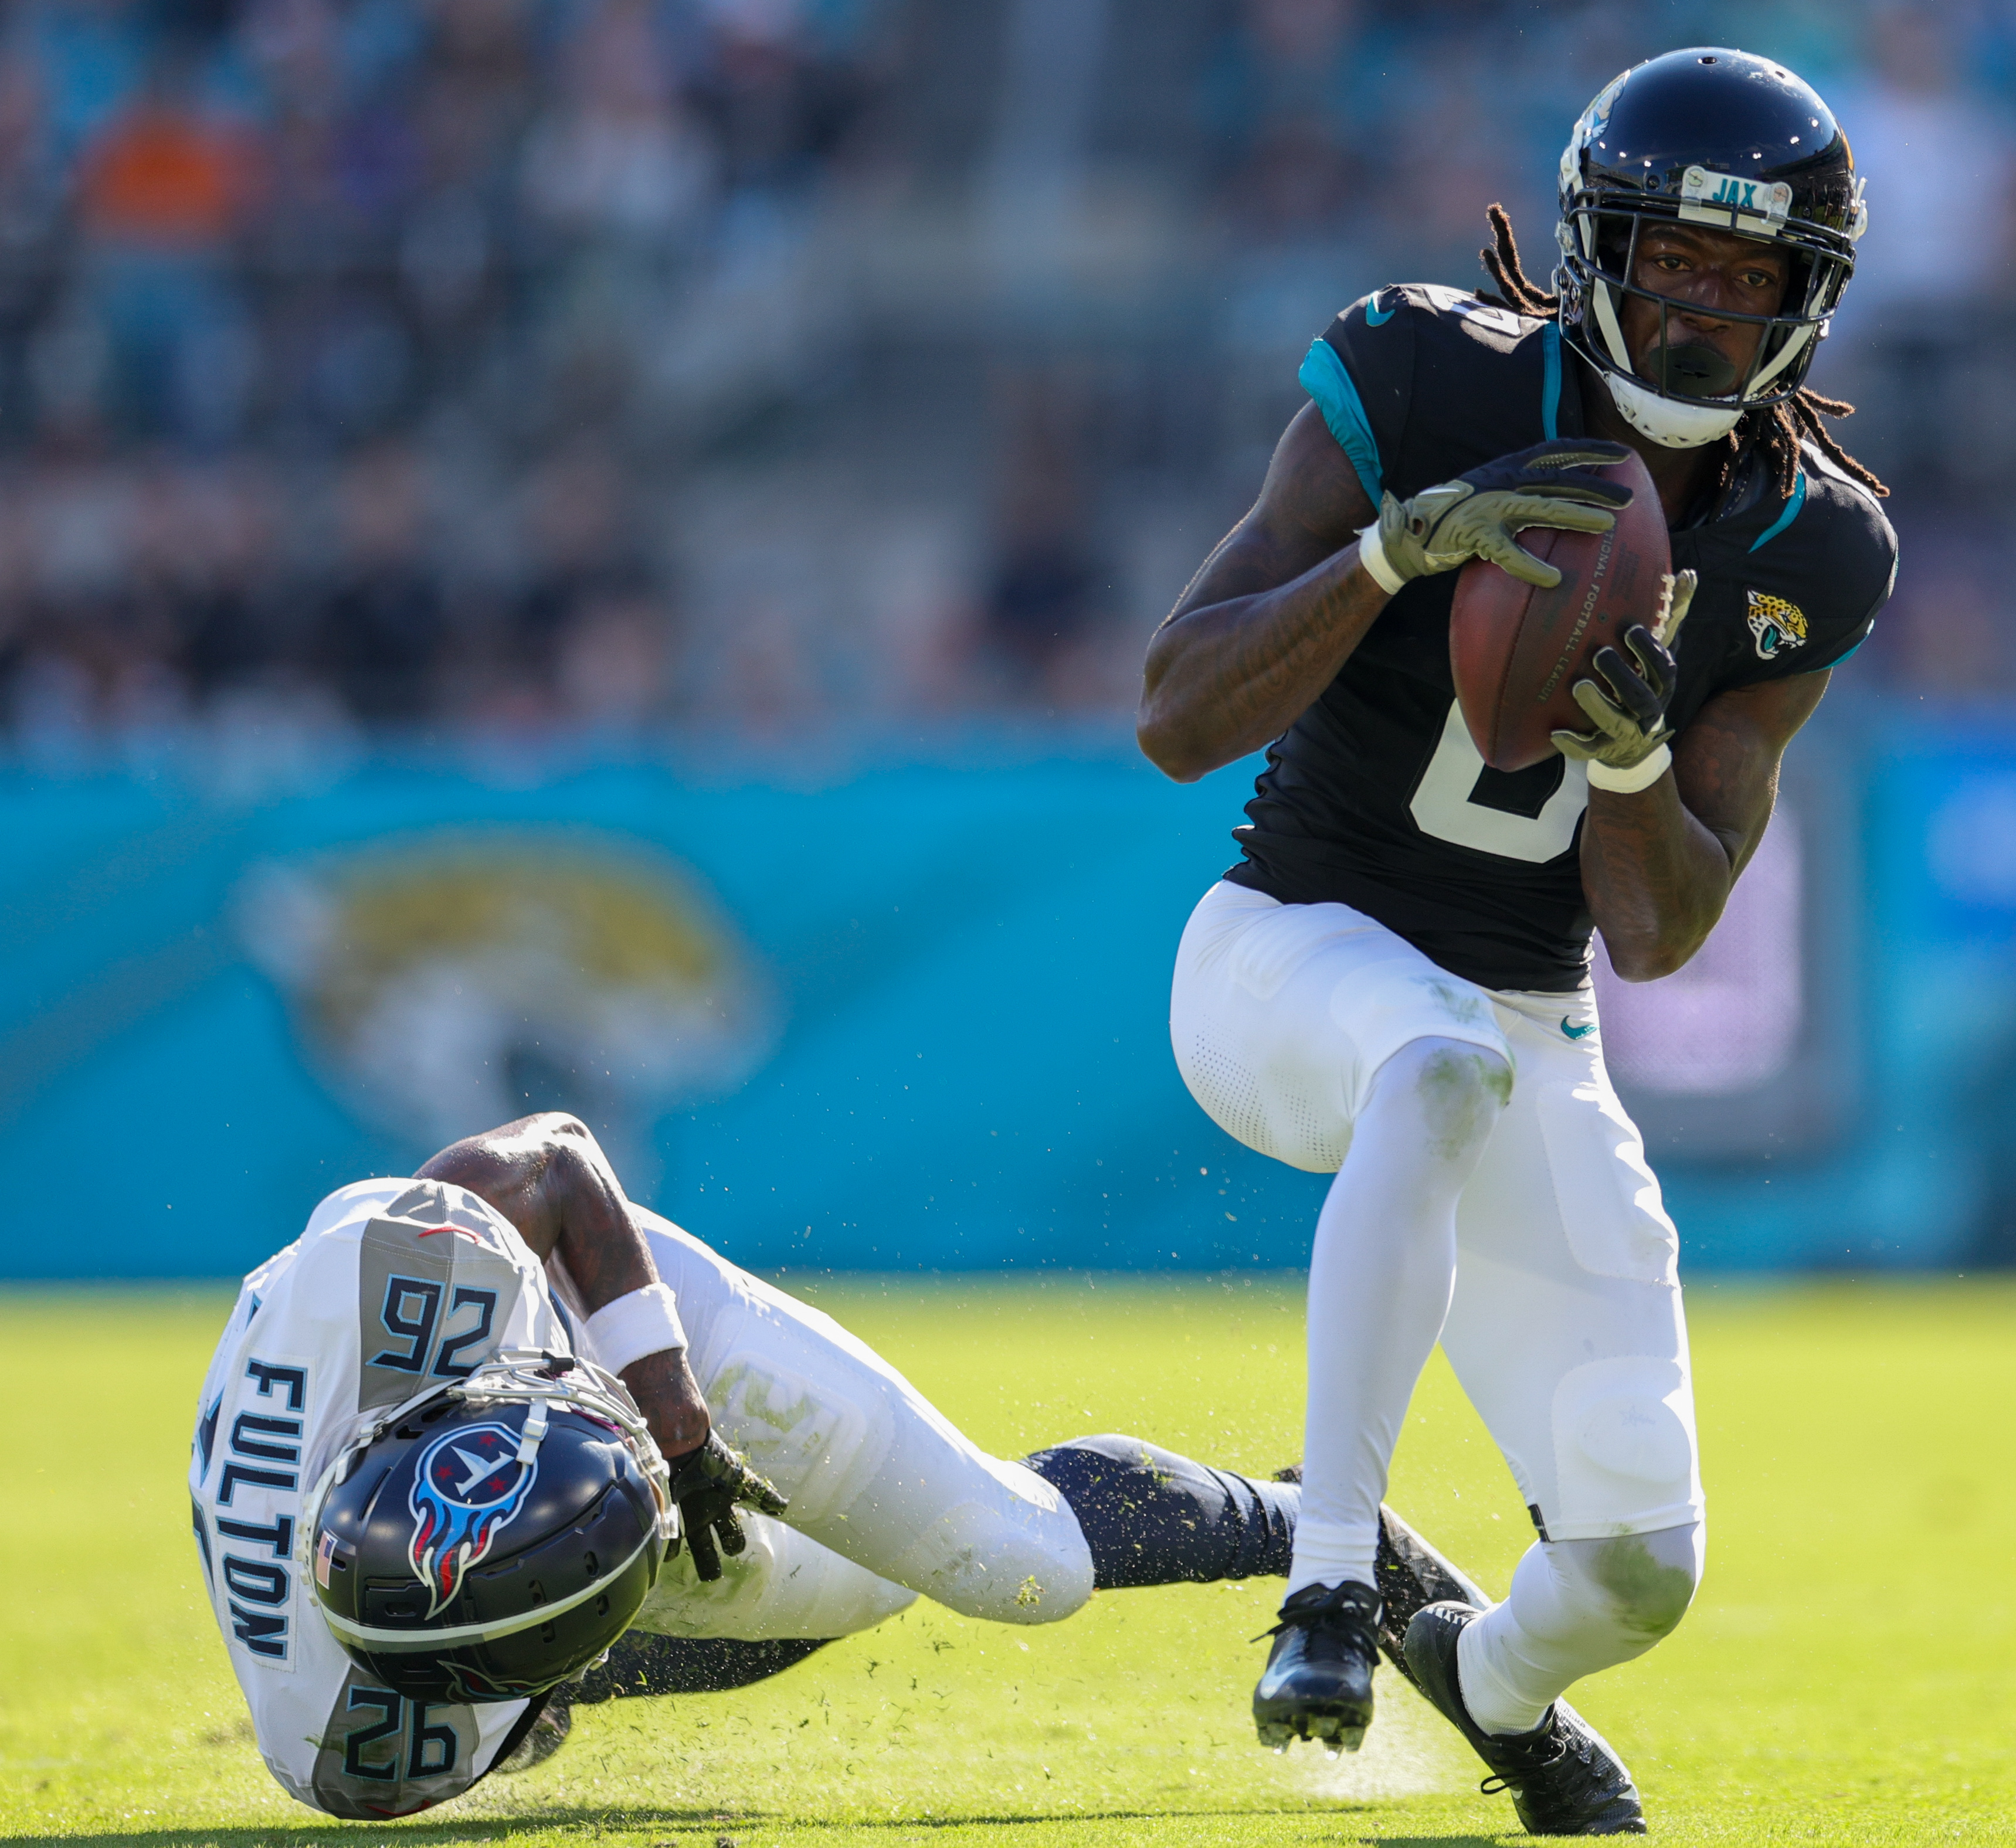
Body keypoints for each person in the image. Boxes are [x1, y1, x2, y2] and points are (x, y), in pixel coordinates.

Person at [1138, 48, 1897, 1837]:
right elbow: (1175, 710)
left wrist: (1631, 752)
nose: (1702, 312)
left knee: (1641, 1565)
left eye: (1748, 280)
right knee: (1429, 1059)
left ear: (1808, 301)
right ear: (1586, 249)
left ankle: (1476, 1680)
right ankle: (1329, 1583)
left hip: (1532, 1016)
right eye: (1668, 262)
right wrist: (1393, 559)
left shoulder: (1816, 543)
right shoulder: (1417, 374)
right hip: (1284, 953)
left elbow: (1654, 929)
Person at [190, 1111, 1501, 1819]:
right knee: (829, 1595)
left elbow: (560, 1157)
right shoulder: (360, 1754)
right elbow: (539, 1678)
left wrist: (676, 1429)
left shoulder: (406, 1282)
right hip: (512, 1505)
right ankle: (824, 1552)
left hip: (605, 1319)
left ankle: (1315, 1523)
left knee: (1015, 1565)